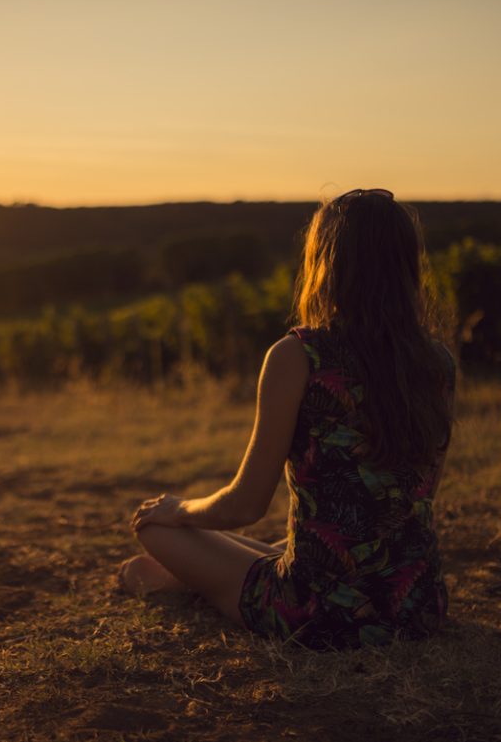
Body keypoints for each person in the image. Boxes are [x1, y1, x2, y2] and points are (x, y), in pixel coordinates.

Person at [118, 188, 456, 650]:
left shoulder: (298, 355)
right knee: (285, 547)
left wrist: (180, 510)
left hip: (319, 611)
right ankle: (184, 578)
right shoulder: (436, 361)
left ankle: (184, 578)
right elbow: (413, 501)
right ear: (407, 266)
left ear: (326, 262)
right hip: (417, 603)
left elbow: (244, 506)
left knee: (153, 529)